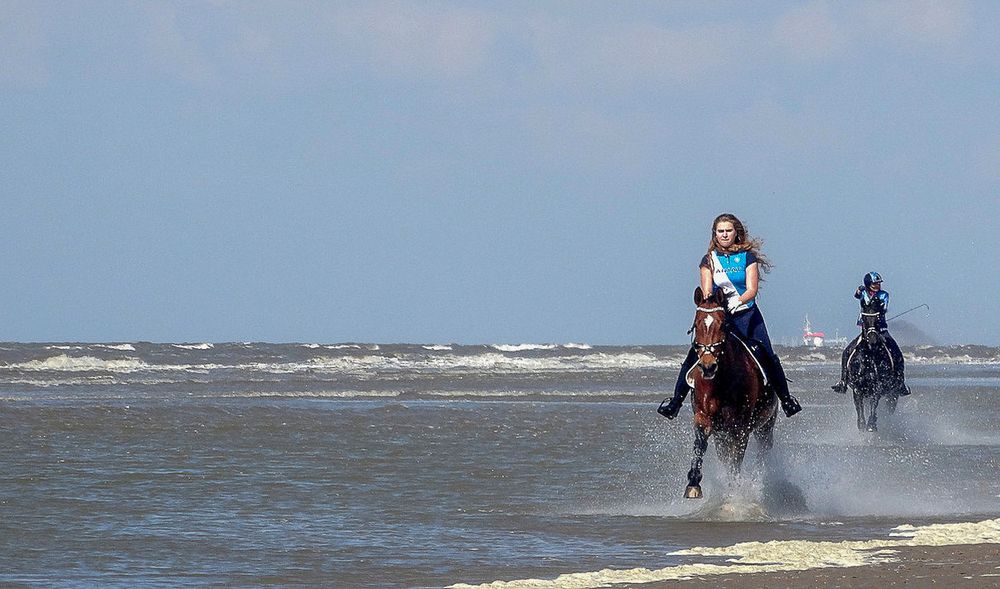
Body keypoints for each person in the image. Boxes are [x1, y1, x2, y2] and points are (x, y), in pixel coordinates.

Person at [658, 213, 802, 419]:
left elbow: (752, 289)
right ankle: (675, 402)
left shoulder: (747, 257)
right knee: (695, 353)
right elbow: (706, 291)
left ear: (736, 233)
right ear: (715, 235)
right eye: (720, 231)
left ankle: (786, 399)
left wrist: (738, 301)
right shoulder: (709, 260)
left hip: (746, 314)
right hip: (719, 316)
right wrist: (714, 308)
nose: (724, 235)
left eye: (728, 231)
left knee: (767, 354)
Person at [831, 272, 910, 395]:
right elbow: (856, 295)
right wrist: (859, 290)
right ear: (868, 284)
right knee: (846, 352)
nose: (877, 285)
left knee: (896, 352)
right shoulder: (863, 293)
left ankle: (900, 383)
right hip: (865, 330)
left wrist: (875, 300)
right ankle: (843, 381)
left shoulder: (884, 295)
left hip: (881, 330)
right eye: (875, 283)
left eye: (878, 283)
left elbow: (883, 308)